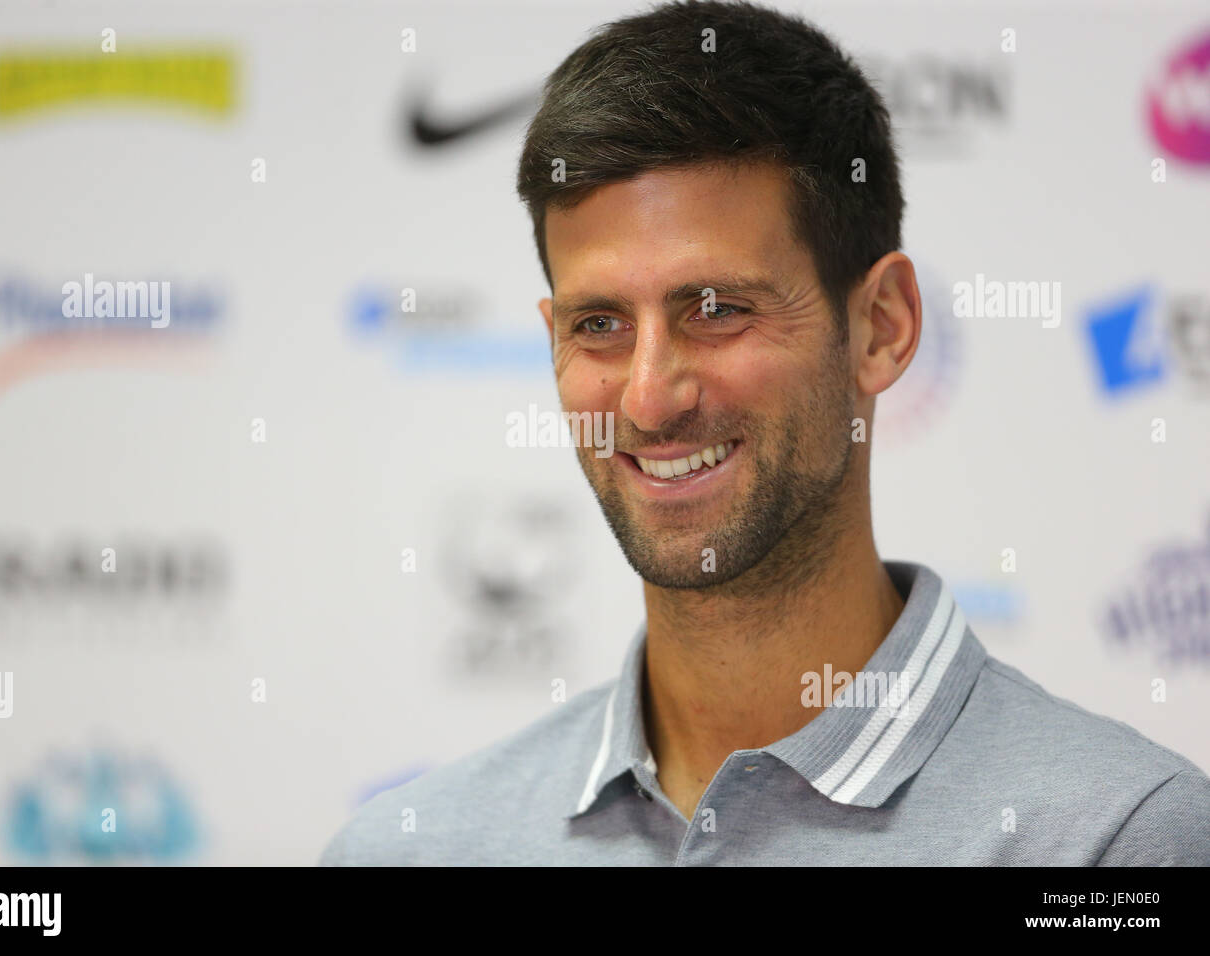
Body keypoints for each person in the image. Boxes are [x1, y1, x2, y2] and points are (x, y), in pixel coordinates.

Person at [322, 0, 1210, 865]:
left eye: (716, 310)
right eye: (599, 324)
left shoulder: (1115, 842)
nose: (648, 398)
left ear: (882, 326)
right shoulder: (415, 846)